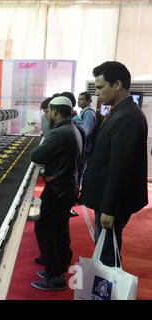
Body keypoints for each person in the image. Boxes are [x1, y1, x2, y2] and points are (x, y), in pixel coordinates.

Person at [80, 61, 148, 267]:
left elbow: (121, 167)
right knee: (106, 247)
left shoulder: (127, 116)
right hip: (108, 198)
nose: (97, 93)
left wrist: (110, 208)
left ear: (117, 84)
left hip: (112, 203)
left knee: (108, 254)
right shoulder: (120, 111)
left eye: (100, 88)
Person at [30, 96, 82, 290]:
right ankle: (58, 268)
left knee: (46, 230)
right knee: (59, 230)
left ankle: (55, 278)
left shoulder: (60, 132)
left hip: (59, 189)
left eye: (49, 111)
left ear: (56, 112)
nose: (47, 114)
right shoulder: (71, 129)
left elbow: (36, 155)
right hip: (65, 187)